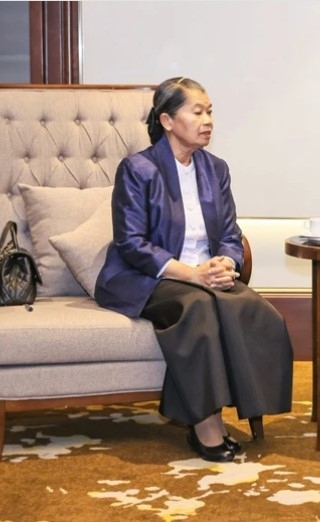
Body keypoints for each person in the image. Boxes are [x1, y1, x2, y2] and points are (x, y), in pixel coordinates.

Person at [95, 77, 294, 462]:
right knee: (198, 307)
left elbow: (231, 233)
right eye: (197, 112)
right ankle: (204, 424)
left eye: (210, 111)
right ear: (168, 121)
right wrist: (194, 275)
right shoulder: (138, 169)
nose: (207, 120)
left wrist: (226, 262)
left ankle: (241, 407)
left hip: (205, 275)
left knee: (255, 310)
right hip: (149, 278)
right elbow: (131, 244)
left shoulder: (215, 169)